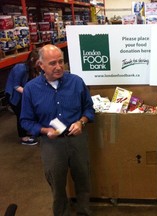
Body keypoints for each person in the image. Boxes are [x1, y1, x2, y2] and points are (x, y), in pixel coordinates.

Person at [20, 44, 95, 216]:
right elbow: (25, 120)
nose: (59, 67)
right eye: (53, 63)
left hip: (77, 140)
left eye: (61, 62)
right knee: (57, 184)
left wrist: (81, 122)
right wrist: (45, 130)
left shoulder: (76, 82)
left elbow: (89, 109)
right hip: (51, 144)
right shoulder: (31, 89)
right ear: (41, 65)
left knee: (83, 179)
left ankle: (84, 211)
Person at [5, 50, 40, 145]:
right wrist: (29, 93)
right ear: (32, 59)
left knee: (28, 113)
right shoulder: (20, 68)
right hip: (13, 96)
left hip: (22, 95)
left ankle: (27, 131)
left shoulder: (32, 68)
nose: (40, 64)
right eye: (39, 61)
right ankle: (23, 138)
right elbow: (16, 86)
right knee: (21, 115)